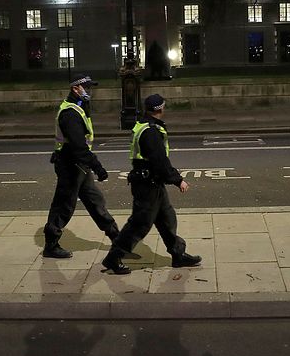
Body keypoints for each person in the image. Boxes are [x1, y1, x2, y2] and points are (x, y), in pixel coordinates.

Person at [102, 93, 201, 274]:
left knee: (167, 219)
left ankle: (178, 254)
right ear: (160, 109)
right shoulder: (150, 131)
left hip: (153, 184)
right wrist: (178, 180)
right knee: (139, 224)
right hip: (147, 185)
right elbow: (159, 161)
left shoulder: (144, 125)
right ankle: (113, 257)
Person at [43, 74, 120, 258]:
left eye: (90, 87)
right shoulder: (70, 114)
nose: (89, 91)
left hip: (79, 166)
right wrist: (98, 167)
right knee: (64, 206)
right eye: (86, 88)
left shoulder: (78, 107)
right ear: (75, 89)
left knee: (95, 202)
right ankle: (51, 245)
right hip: (70, 165)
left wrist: (85, 104)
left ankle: (117, 238)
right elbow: (79, 146)